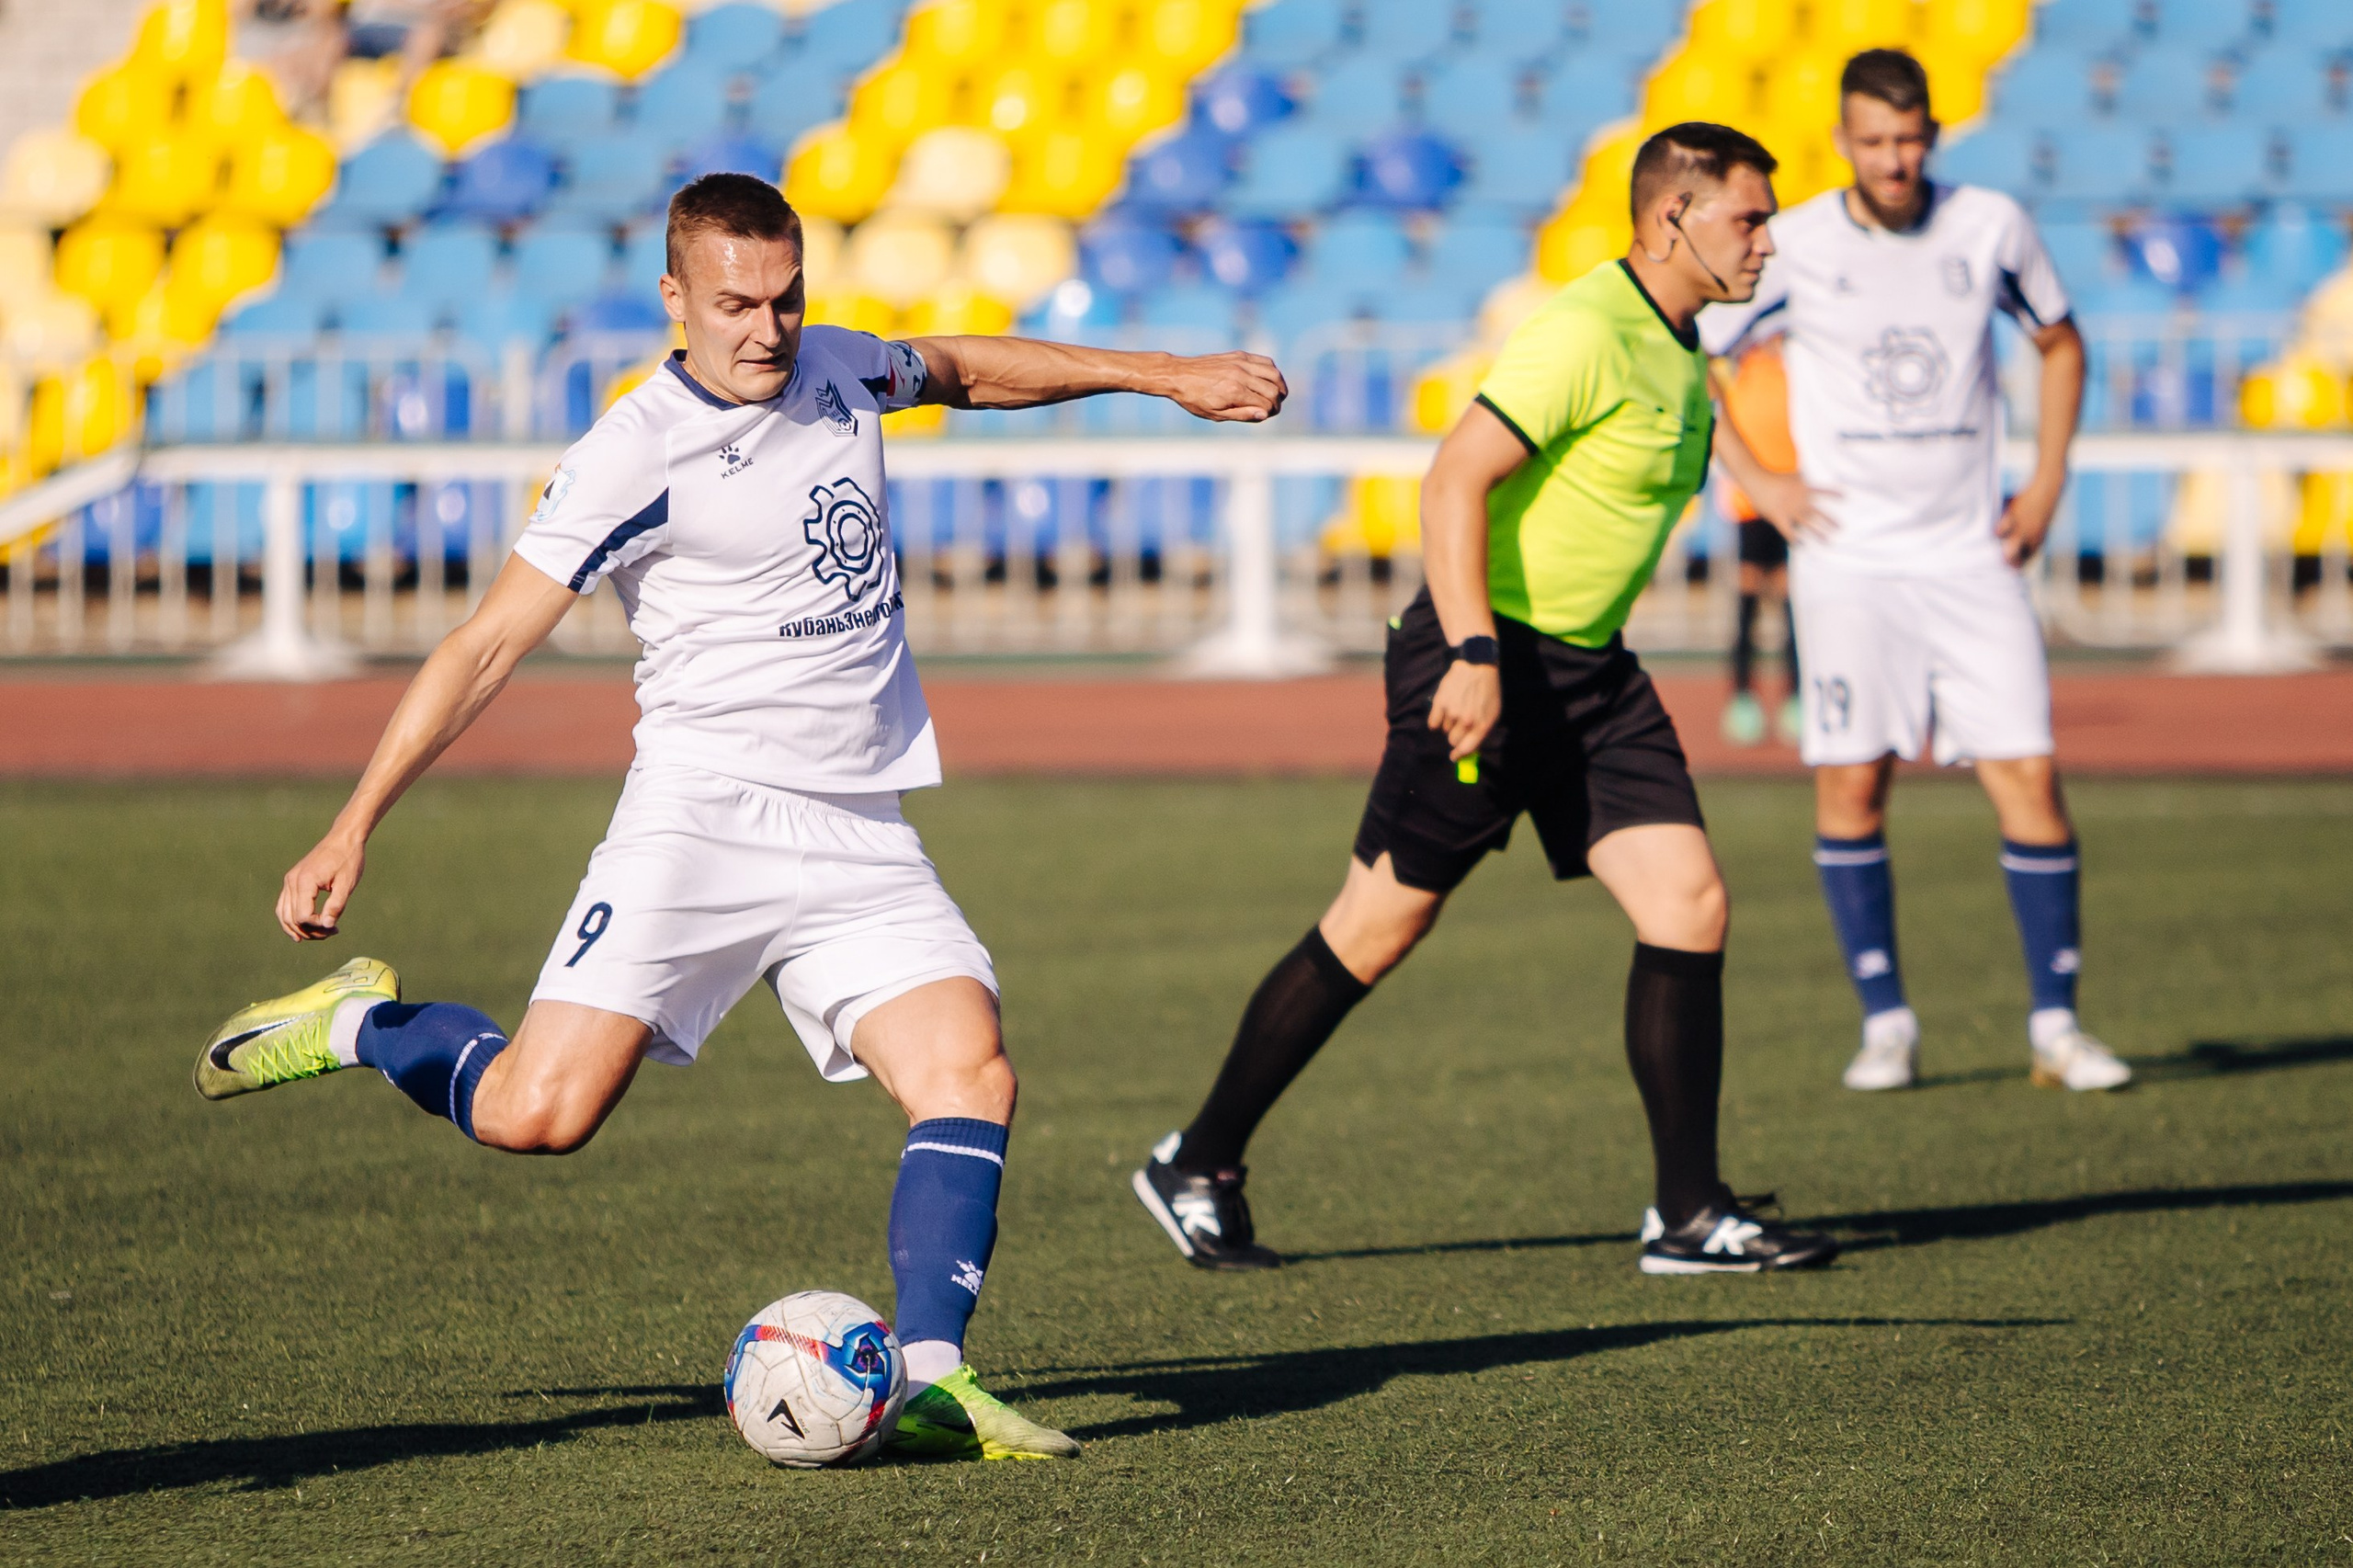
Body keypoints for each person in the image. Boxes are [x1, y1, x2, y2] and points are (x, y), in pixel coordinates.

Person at [194, 172, 1288, 1460]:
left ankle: (933, 1371)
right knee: (535, 1115)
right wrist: (351, 824)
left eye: (785, 296)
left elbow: (964, 368)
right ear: (675, 298)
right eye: (734, 305)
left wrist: (1165, 374)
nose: (767, 329)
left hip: (857, 826)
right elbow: (485, 644)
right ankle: (361, 1024)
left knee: (969, 1070)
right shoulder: (632, 450)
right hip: (699, 823)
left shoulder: (836, 367)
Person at [1132, 123, 1840, 1277]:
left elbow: (1679, 427)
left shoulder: (1678, 339)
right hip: (1486, 659)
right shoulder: (1584, 329)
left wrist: (1770, 483)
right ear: (1672, 218)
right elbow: (1453, 476)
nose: (1767, 241)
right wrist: (1471, 652)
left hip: (1594, 675)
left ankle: (1688, 1211)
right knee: (1377, 925)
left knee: (1688, 902)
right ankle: (1197, 1161)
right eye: (1749, 218)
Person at [1701, 50, 2128, 1094]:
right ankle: (1885, 1020)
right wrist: (1765, 480)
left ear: (1932, 134)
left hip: (1970, 554)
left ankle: (2055, 1024)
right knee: (1853, 782)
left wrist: (2046, 481)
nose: (1894, 161)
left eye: (1909, 139)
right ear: (1843, 141)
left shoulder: (1989, 225)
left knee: (2027, 772)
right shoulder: (1794, 243)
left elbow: (2060, 344)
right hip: (1846, 563)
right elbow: (1696, 352)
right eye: (1874, 141)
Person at [1712, 342, 1802, 748]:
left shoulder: (1796, 371)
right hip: (1751, 504)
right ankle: (1743, 699)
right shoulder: (1738, 373)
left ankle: (1795, 699)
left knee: (1790, 605)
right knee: (1747, 602)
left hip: (1791, 499)